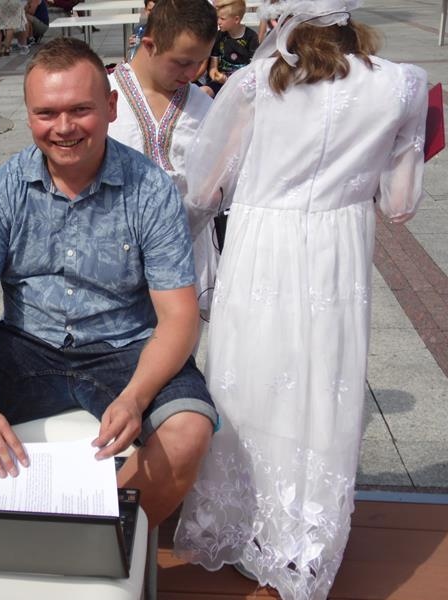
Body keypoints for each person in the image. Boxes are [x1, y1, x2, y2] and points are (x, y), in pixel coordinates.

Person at [173, 1, 428, 599]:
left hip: (261, 248)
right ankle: (303, 541)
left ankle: (241, 523)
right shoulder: (403, 85)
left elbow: (204, 191)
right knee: (323, 386)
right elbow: (399, 205)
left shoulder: (254, 83)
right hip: (337, 253)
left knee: (252, 380)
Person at [0, 37, 217, 530]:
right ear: (30, 115)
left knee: (188, 432)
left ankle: (101, 538)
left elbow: (179, 316)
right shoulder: (6, 187)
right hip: (27, 343)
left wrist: (136, 396)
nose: (64, 127)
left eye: (80, 109)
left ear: (111, 107)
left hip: (126, 348)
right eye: (47, 113)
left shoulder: (150, 190)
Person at [109, 0, 219, 320]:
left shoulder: (204, 107)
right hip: (116, 254)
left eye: (200, 62)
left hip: (187, 256)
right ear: (150, 45)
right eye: (182, 62)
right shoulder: (105, 94)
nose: (193, 73)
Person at [207, 0, 259, 95]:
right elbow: (213, 68)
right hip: (221, 83)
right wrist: (216, 76)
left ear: (236, 19)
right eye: (218, 18)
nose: (218, 22)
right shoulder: (219, 36)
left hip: (242, 85)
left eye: (222, 19)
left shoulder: (251, 37)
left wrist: (235, 81)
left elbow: (254, 70)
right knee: (204, 91)